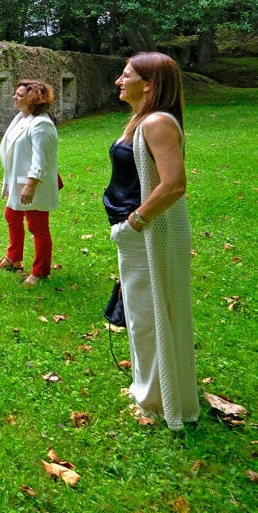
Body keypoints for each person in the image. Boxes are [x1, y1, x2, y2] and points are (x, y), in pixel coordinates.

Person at [105, 52, 198, 430]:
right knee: (142, 316)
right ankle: (148, 389)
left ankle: (158, 403)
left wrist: (137, 221)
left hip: (148, 232)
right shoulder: (141, 119)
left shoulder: (157, 122)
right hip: (134, 234)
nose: (118, 81)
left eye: (126, 75)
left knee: (149, 317)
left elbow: (174, 183)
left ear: (150, 84)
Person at [0, 80, 60, 287]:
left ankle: (40, 271)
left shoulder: (41, 124)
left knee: (38, 226)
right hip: (17, 180)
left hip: (33, 183)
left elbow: (41, 159)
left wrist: (30, 184)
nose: (15, 97)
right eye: (16, 94)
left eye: (20, 95)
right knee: (12, 215)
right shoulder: (21, 118)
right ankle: (13, 258)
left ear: (33, 99)